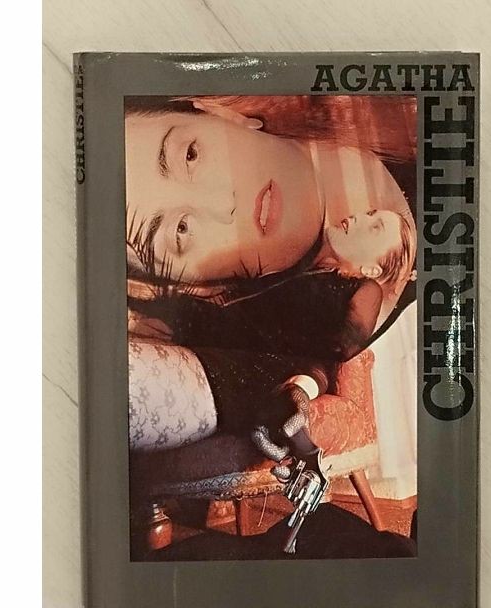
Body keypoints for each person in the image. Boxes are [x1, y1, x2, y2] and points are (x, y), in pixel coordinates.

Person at [125, 96, 417, 459]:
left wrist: (304, 387)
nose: (224, 203)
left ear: (224, 115)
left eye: (190, 155)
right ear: (201, 284)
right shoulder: (305, 293)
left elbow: (329, 351)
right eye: (180, 230)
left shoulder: (365, 289)